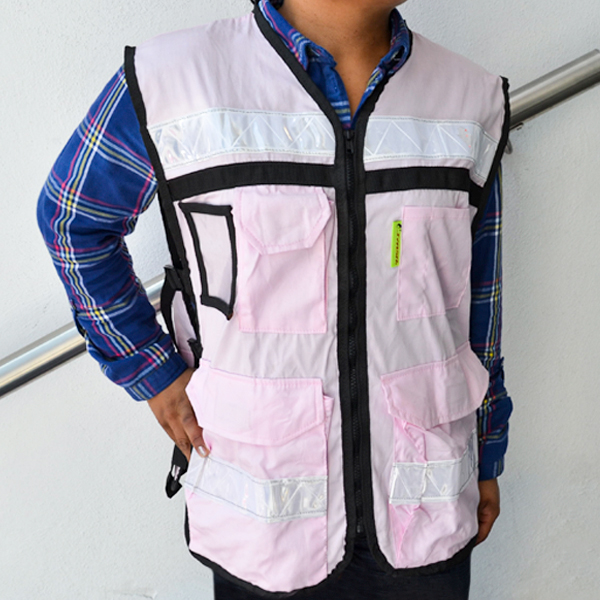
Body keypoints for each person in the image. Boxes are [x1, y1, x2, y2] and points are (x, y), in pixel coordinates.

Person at [37, 0, 513, 598]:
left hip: (426, 503)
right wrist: (152, 372)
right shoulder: (173, 81)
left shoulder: (470, 99)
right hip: (264, 522)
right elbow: (71, 221)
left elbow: (479, 306)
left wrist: (487, 450)